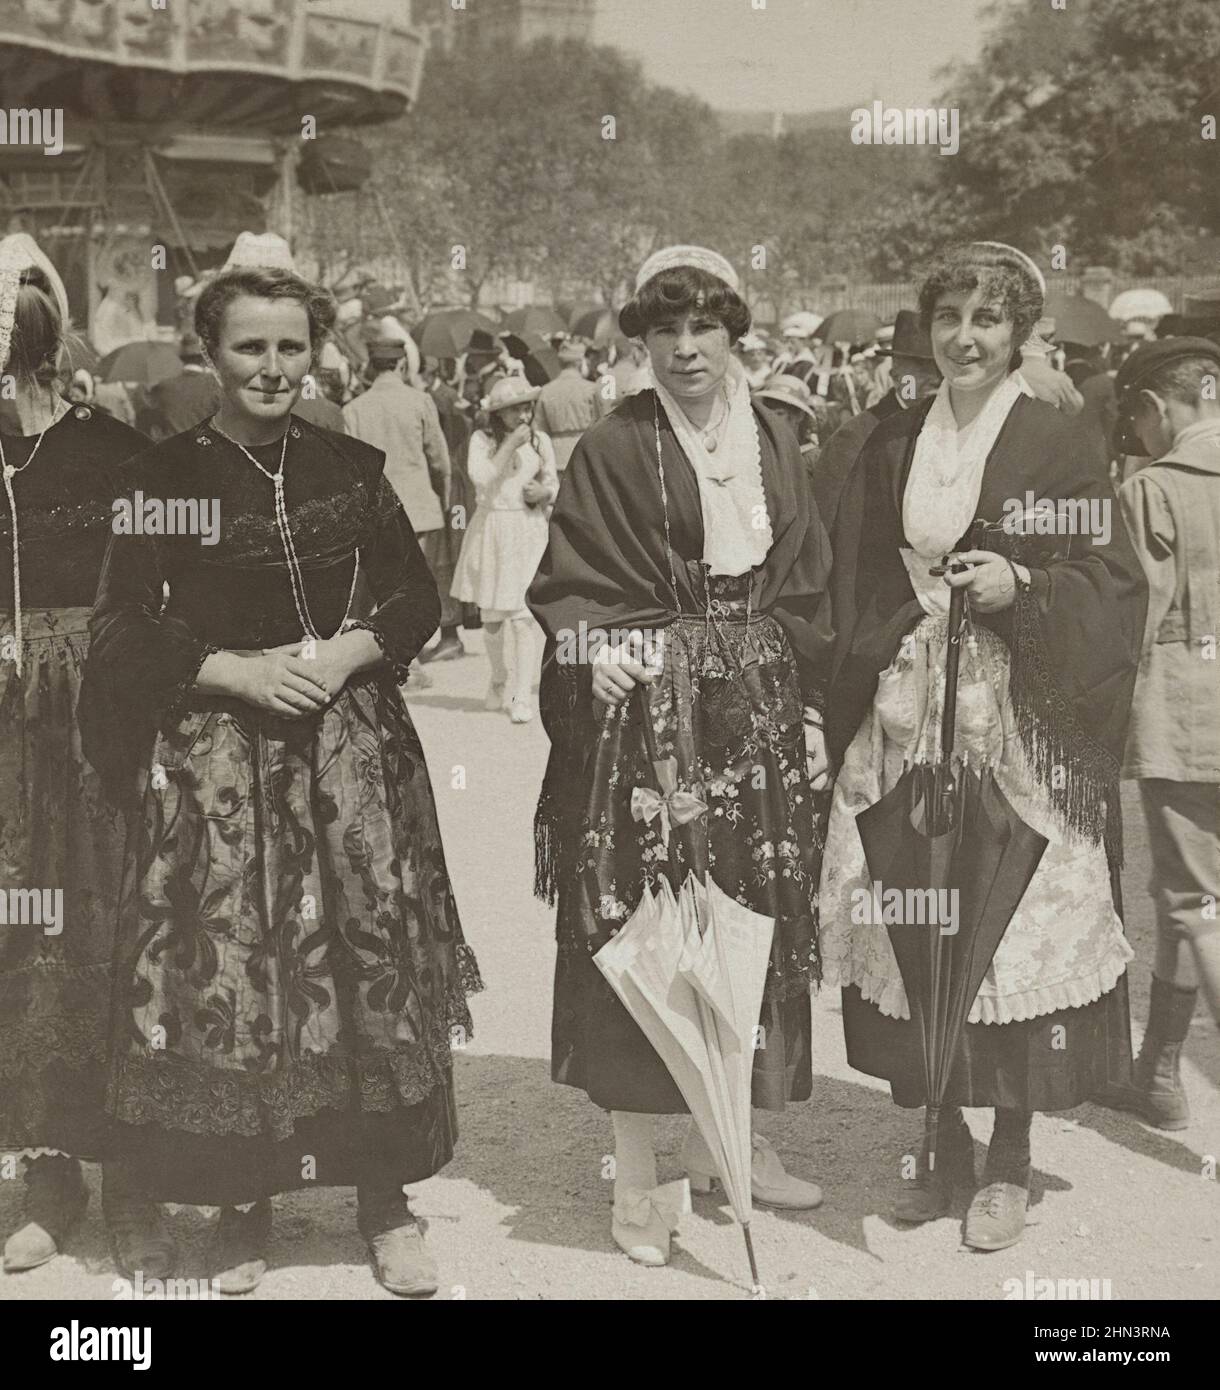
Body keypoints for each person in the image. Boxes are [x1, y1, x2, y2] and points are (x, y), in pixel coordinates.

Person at [78, 265, 483, 1297]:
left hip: (352, 754)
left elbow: (414, 596)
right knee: (242, 974)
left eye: (290, 346)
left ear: (317, 352)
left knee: (367, 959)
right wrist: (242, 671)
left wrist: (346, 655)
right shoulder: (166, 481)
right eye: (250, 346)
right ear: (208, 353)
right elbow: (122, 628)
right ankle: (243, 1198)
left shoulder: (350, 465)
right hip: (222, 762)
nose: (272, 367)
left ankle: (384, 1201)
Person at [821, 241, 1147, 1252]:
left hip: (1022, 715)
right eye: (948, 317)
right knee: (915, 904)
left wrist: (1026, 587)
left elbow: (1110, 573)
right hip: (911, 706)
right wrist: (859, 674)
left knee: (1007, 918)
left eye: (986, 321)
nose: (964, 337)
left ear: (1017, 335)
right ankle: (938, 1133)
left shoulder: (1055, 437)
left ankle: (1007, 1150)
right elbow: (857, 571)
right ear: (924, 329)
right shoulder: (892, 438)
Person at [528, 245, 832, 1268]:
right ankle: (636, 1169)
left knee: (745, 913)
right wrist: (596, 648)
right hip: (649, 711)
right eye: (664, 332)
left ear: (733, 335)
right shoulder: (613, 446)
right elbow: (567, 581)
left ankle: (726, 1144)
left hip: (754, 708)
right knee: (648, 917)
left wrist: (807, 697)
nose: (685, 348)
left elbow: (806, 578)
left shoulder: (778, 437)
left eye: (703, 328)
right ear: (642, 343)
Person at [0, 234, 145, 1273]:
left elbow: (161, 584)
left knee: (119, 919)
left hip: (97, 732)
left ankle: (134, 1166)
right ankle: (46, 1171)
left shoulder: (106, 448)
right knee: (22, 939)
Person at [1105, 337, 1220, 1127]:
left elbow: (1133, 622)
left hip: (1189, 720)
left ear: (1154, 407)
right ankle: (1159, 1074)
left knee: (1195, 902)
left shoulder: (1156, 490)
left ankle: (1162, 1073)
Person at [343, 339, 466, 664]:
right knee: (410, 586)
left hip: (373, 511)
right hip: (418, 508)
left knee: (381, 584)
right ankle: (402, 659)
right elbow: (439, 459)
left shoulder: (354, 409)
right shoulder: (420, 401)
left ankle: (384, 654)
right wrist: (442, 495)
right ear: (400, 365)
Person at [452, 376, 558, 723]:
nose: (524, 415)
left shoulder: (540, 441)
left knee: (524, 618)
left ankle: (521, 693)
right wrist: (510, 444)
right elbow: (480, 478)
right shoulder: (482, 440)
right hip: (493, 529)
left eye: (527, 407)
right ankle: (499, 677)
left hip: (527, 530)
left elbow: (553, 483)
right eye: (515, 409)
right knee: (493, 619)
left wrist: (544, 494)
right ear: (498, 414)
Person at [812, 309, 941, 538]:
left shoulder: (947, 428)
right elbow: (826, 523)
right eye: (921, 368)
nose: (935, 378)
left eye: (940, 368)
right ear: (895, 373)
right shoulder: (857, 435)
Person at [534, 338, 607, 472]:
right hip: (585, 456)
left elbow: (540, 430)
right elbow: (601, 426)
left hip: (555, 458)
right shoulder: (591, 389)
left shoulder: (545, 391)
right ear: (580, 362)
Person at [147, 331, 221, 438]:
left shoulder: (164, 386)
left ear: (182, 359)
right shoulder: (215, 384)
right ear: (203, 359)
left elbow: (155, 422)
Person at [773, 310, 822, 386]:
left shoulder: (806, 362)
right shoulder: (786, 360)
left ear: (803, 342)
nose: (789, 345)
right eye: (787, 342)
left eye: (793, 342)